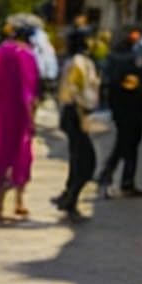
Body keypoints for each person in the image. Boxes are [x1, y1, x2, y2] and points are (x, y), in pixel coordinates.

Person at [0, 17, 39, 224]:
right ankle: (18, 201)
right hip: (21, 113)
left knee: (1, 155)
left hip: (3, 111)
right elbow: (29, 89)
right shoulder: (27, 55)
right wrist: (32, 117)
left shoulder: (1, 51)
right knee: (22, 155)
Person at [53, 27, 101, 223]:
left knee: (78, 157)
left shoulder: (79, 62)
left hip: (77, 113)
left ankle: (69, 196)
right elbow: (71, 91)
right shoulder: (78, 63)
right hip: (76, 113)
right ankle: (71, 199)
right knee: (85, 159)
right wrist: (82, 110)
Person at [97, 27, 142, 198]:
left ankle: (114, 176)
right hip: (135, 106)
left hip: (119, 106)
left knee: (124, 142)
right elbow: (141, 83)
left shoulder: (111, 59)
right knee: (129, 144)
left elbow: (105, 83)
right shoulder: (136, 58)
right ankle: (115, 177)